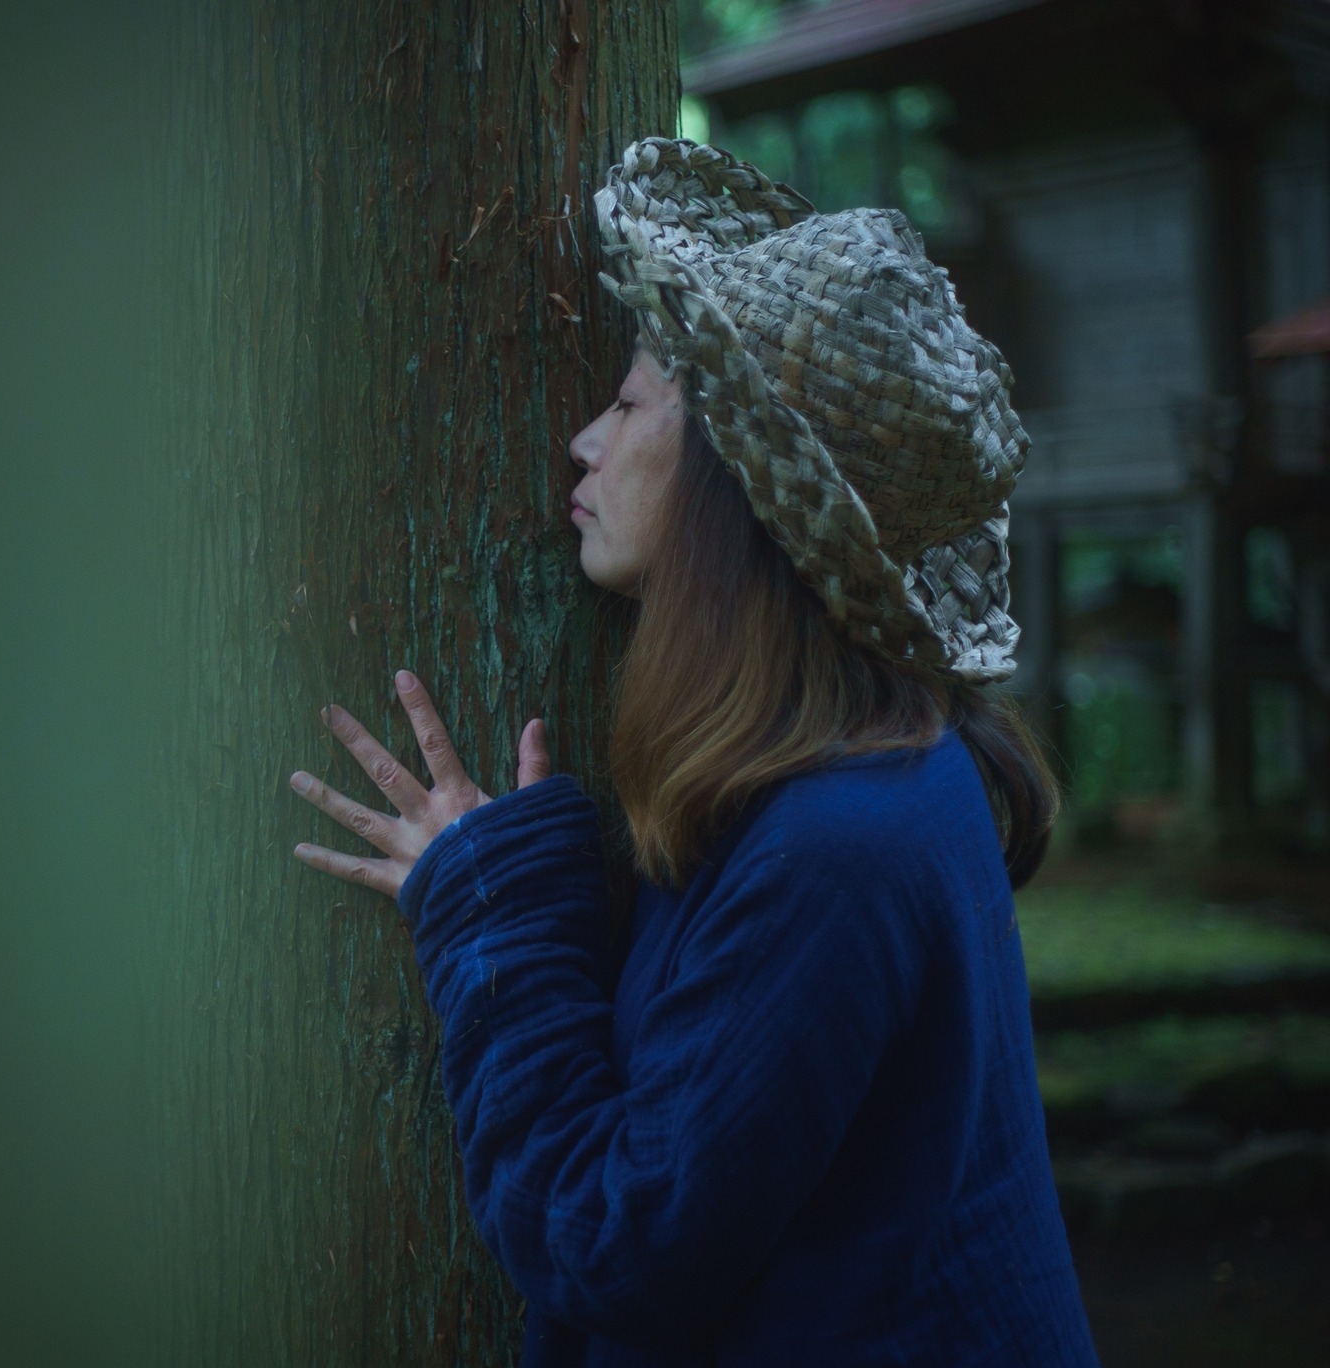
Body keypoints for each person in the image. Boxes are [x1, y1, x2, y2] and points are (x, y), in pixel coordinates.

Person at [284, 140, 1099, 1367]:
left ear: (730, 485)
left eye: (624, 406)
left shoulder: (840, 842)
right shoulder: (860, 764)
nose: (581, 442)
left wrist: (492, 913)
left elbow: (616, 1250)